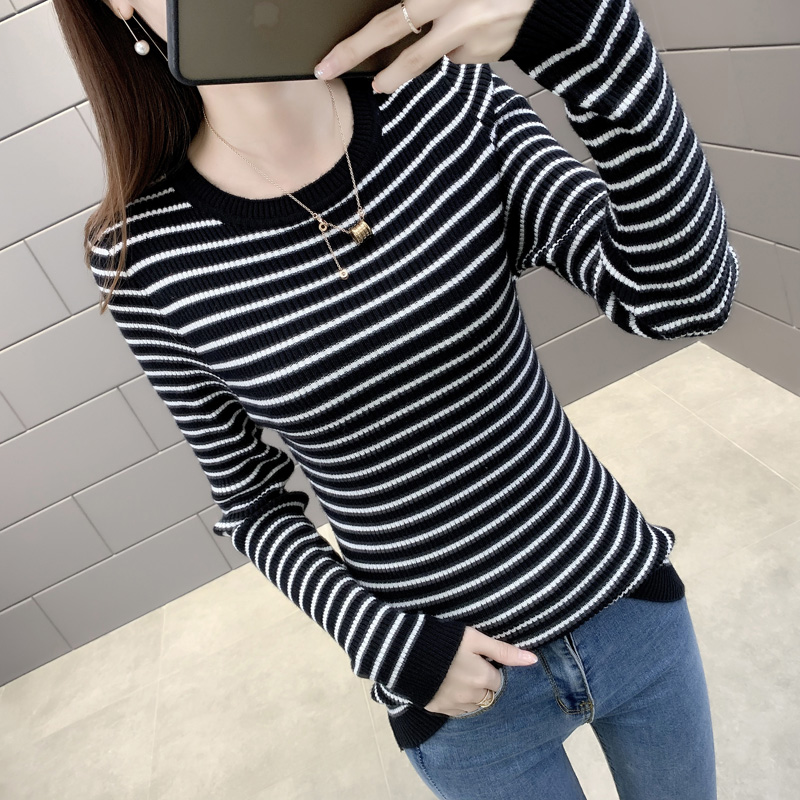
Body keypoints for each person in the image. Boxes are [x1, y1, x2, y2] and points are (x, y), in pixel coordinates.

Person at [54, 0, 738, 797]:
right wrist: (387, 643)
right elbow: (251, 505)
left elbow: (680, 298)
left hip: (623, 599)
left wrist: (582, 33)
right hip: (457, 696)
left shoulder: (449, 103)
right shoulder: (140, 256)